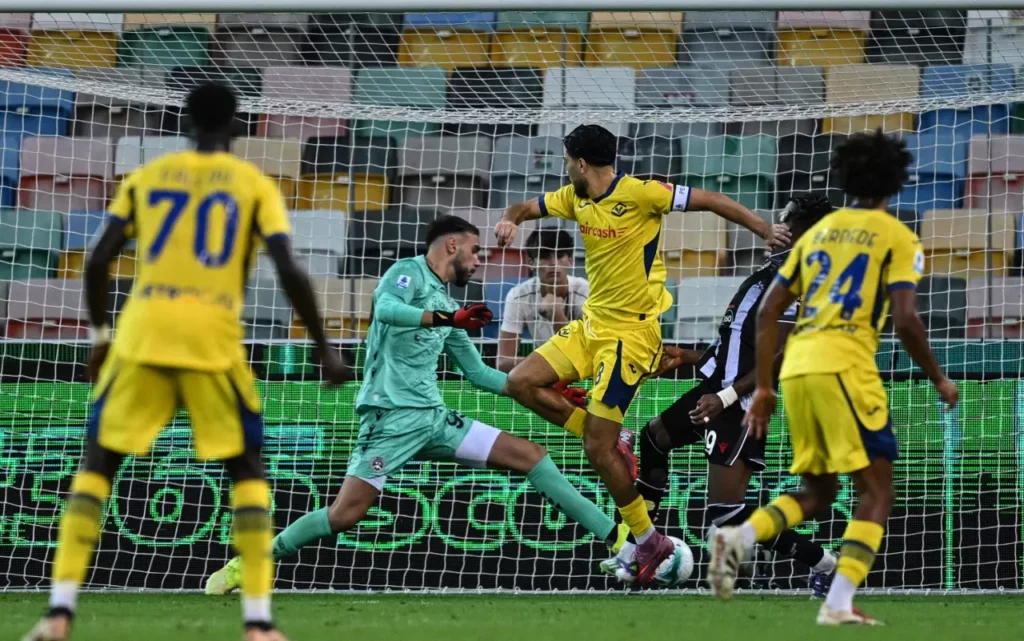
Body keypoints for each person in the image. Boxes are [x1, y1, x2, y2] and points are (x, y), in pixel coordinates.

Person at [23, 83, 350, 641]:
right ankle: (258, 622)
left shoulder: (148, 178)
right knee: (246, 470)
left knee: (97, 465)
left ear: (185, 123)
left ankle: (58, 613)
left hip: (142, 334)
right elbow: (288, 268)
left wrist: (100, 337)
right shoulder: (252, 184)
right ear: (237, 126)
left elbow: (98, 260)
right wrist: (323, 345)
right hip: (210, 339)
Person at [204, 215, 628, 595]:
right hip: (390, 420)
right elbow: (388, 310)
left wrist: (546, 387)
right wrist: (448, 319)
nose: (478, 261)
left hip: (435, 420)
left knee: (533, 457)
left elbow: (479, 373)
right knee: (344, 514)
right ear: (452, 245)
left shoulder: (450, 306)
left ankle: (622, 540)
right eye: (475, 251)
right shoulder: (407, 273)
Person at [495, 124, 790, 585]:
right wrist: (510, 219)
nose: (565, 168)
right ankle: (620, 442)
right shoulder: (574, 198)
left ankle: (647, 540)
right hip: (591, 327)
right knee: (520, 382)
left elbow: (712, 199)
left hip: (630, 337)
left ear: (580, 163)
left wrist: (764, 229)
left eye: (567, 161)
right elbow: (525, 207)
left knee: (596, 447)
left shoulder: (642, 193)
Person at [708, 130, 959, 625]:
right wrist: (938, 378)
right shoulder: (897, 236)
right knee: (877, 492)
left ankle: (739, 537)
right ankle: (838, 602)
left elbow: (769, 311)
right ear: (896, 182)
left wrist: (764, 388)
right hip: (846, 366)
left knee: (819, 493)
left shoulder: (818, 235)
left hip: (799, 370)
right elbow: (906, 318)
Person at [601, 194, 839, 592]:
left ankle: (827, 565)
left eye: (788, 226)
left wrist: (726, 398)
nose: (777, 231)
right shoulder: (768, 275)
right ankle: (643, 547)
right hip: (716, 391)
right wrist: (688, 357)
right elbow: (734, 349)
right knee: (654, 438)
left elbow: (780, 357)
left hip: (739, 404)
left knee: (727, 514)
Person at [498, 228, 589, 372]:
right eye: (545, 256)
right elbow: (503, 362)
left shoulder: (587, 293)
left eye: (560, 256)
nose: (553, 263)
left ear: (570, 261)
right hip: (544, 375)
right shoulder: (518, 296)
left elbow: (582, 356)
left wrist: (556, 314)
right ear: (531, 262)